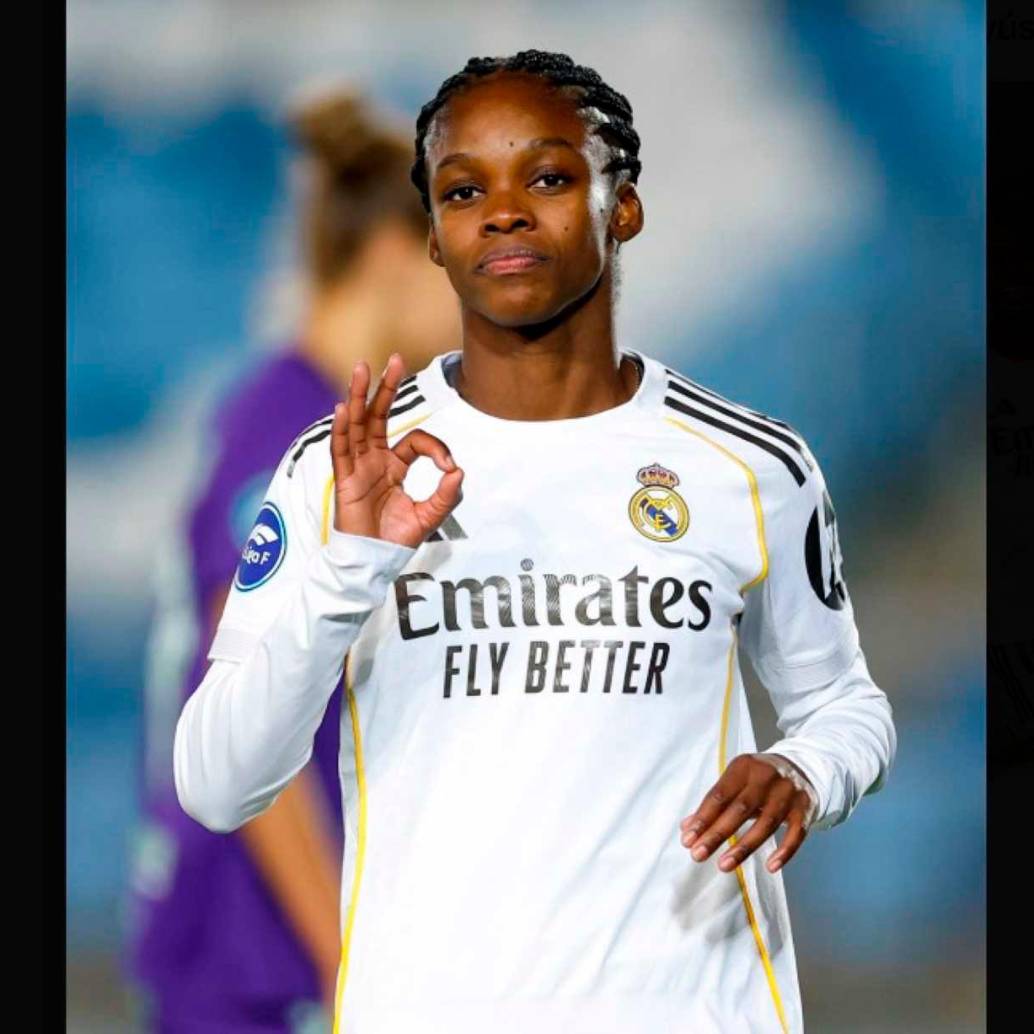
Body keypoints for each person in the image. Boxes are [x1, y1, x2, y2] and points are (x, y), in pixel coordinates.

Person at [173, 51, 897, 1034]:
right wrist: (351, 565)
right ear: (431, 234)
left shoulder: (750, 465)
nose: (503, 211)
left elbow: (845, 705)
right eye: (463, 189)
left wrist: (808, 768)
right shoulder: (339, 467)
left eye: (548, 177)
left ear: (624, 205)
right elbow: (217, 783)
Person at [126, 89, 459, 1033]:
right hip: (254, 960)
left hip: (262, 952)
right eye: (457, 267)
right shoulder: (287, 438)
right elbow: (246, 712)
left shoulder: (301, 419)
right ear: (395, 255)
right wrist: (352, 971)